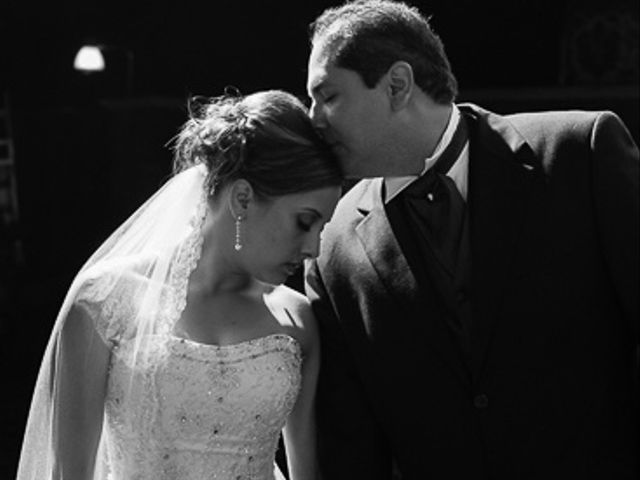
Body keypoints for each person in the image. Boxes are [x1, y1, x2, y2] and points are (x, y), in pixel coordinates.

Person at [304, 1, 639, 479]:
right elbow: (351, 438)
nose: (313, 119)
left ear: (397, 85)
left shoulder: (579, 152)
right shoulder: (333, 244)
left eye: (328, 96)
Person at [16, 89, 342, 480]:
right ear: (241, 199)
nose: (313, 247)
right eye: (305, 222)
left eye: (322, 227)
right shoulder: (104, 301)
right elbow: (68, 474)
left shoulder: (296, 318)